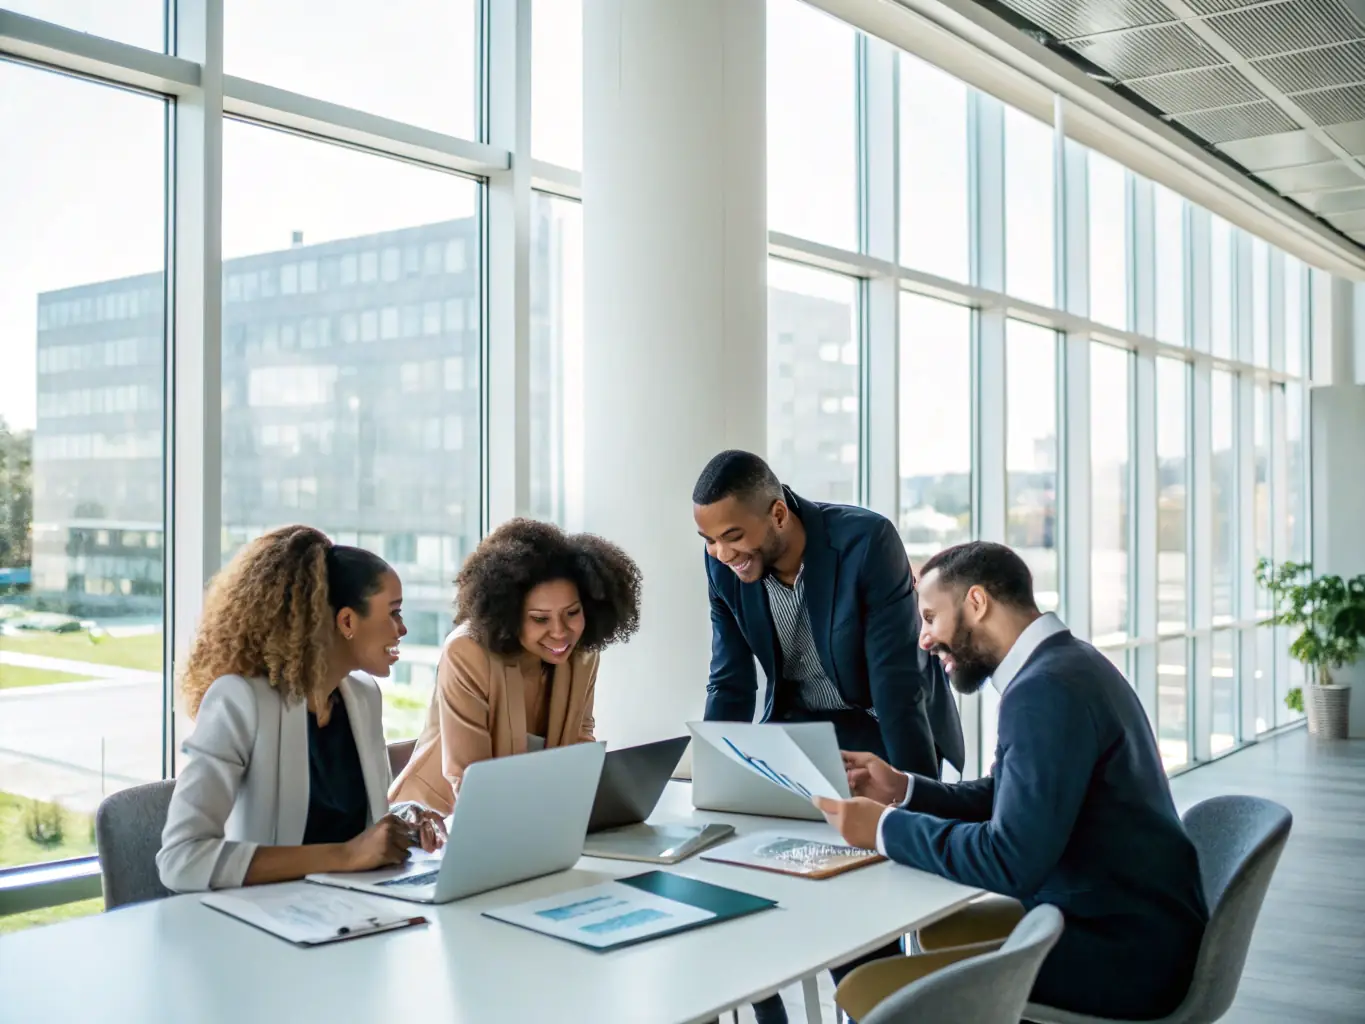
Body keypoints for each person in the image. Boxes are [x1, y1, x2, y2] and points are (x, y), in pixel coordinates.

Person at [814, 541, 1208, 1022]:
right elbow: (1006, 793)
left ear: (976, 603)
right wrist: (903, 790)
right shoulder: (1070, 664)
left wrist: (882, 829)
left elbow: (1010, 859)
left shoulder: (1044, 691)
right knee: (920, 950)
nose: (924, 638)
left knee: (868, 988)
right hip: (1134, 925)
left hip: (1121, 954)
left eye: (931, 617)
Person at [693, 450, 963, 1024]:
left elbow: (897, 687)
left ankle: (875, 1004)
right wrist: (716, 779)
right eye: (710, 539)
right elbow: (730, 678)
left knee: (858, 889)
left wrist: (918, 798)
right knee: (742, 863)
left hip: (879, 725)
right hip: (801, 730)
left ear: (779, 514)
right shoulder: (722, 563)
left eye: (733, 535)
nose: (721, 552)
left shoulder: (865, 540)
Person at [158, 526, 446, 893]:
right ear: (346, 622)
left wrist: (403, 822)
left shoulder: (362, 697)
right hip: (263, 922)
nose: (402, 628)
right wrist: (345, 856)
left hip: (351, 913)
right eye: (394, 613)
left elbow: (353, 827)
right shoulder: (240, 701)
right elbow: (182, 860)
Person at [389, 518, 642, 813]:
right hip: (435, 824)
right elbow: (470, 778)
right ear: (508, 614)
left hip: (527, 821)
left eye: (572, 613)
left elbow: (579, 742)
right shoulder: (466, 653)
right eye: (539, 619)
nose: (560, 632)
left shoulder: (582, 653)